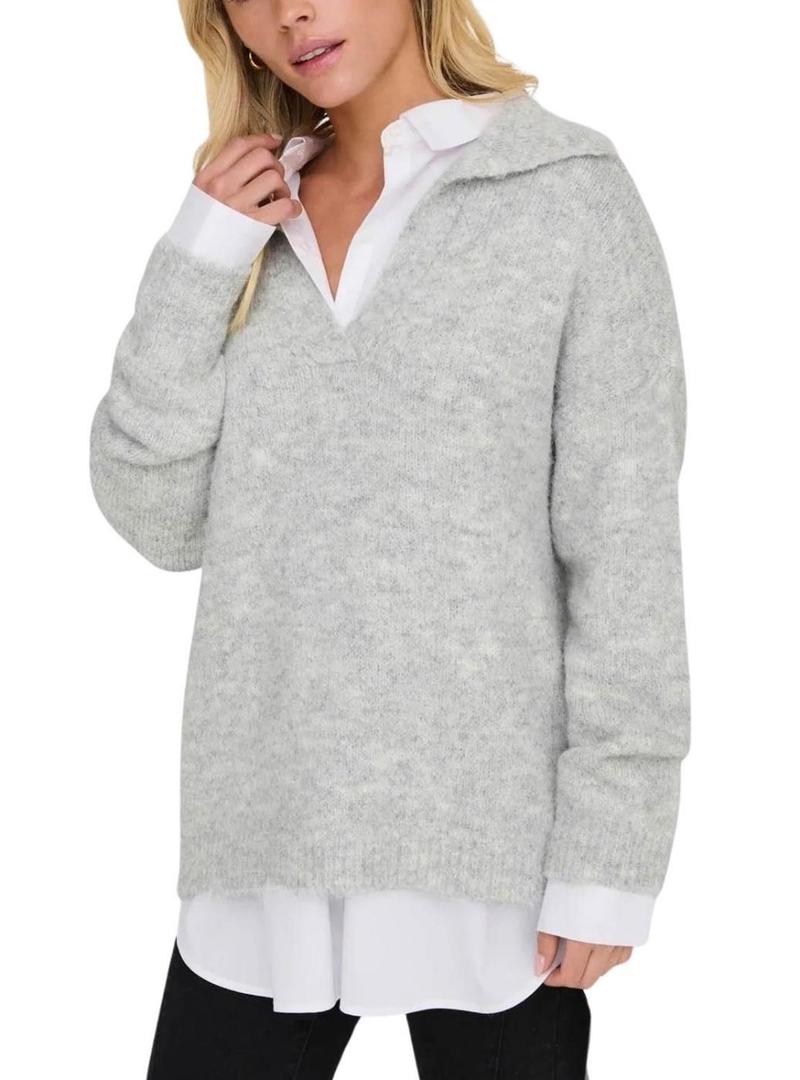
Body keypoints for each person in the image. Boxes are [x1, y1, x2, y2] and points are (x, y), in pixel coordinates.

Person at [88, 1, 691, 1077]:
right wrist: (199, 254)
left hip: (492, 861)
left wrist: (612, 851)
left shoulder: (566, 194)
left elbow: (624, 550)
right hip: (263, 843)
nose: (290, 13)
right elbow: (160, 519)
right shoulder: (246, 222)